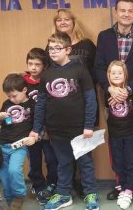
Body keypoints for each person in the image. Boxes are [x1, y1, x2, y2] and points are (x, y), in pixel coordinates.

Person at [29, 32, 99, 210]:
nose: (52, 52)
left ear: (68, 50)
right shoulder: (46, 75)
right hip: (56, 130)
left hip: (80, 129)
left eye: (57, 48)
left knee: (85, 163)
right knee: (63, 163)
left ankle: (90, 193)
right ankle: (64, 194)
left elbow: (91, 100)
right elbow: (41, 104)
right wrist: (36, 129)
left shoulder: (80, 70)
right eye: (50, 48)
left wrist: (89, 125)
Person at [94, 0, 133, 200]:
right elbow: (99, 67)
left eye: (130, 11)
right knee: (116, 143)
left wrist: (126, 89)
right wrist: (110, 89)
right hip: (111, 99)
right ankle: (121, 183)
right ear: (115, 12)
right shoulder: (104, 37)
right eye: (122, 10)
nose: (126, 14)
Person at [53, 9, 98, 198]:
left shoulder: (87, 45)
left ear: (73, 22)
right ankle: (67, 185)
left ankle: (85, 186)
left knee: (83, 149)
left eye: (66, 19)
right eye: (59, 20)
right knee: (64, 152)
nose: (63, 22)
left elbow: (96, 70)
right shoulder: (53, 46)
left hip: (84, 103)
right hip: (62, 107)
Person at [22, 48, 58, 205]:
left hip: (48, 129)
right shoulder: (22, 82)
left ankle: (51, 184)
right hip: (30, 130)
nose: (34, 67)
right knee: (34, 161)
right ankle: (38, 185)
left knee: (51, 159)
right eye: (30, 64)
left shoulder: (49, 80)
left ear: (44, 66)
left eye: (37, 64)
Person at [0, 73, 36, 209]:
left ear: (24, 90)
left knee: (14, 170)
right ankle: (9, 199)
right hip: (2, 144)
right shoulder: (6, 104)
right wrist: (0, 117)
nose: (11, 99)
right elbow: (1, 122)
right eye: (9, 96)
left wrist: (34, 136)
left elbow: (37, 124)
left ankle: (19, 195)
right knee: (4, 175)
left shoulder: (32, 104)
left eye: (14, 96)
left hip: (19, 146)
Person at [106, 60, 133, 210]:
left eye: (120, 72)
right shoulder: (107, 93)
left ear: (125, 74)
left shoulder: (132, 93)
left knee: (131, 162)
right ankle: (122, 186)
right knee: (118, 162)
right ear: (108, 75)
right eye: (113, 73)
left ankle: (129, 190)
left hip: (131, 133)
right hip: (115, 135)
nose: (116, 75)